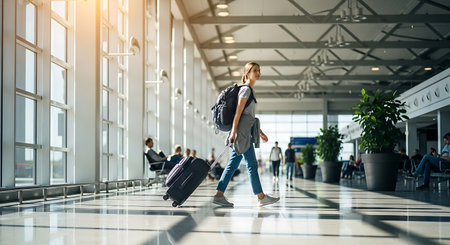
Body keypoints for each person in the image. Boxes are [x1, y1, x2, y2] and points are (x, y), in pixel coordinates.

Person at [212, 62, 280, 207]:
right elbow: (238, 113)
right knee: (252, 165)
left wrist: (260, 132)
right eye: (255, 70)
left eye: (259, 70)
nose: (258, 73)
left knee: (233, 166)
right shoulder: (246, 90)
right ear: (247, 73)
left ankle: (219, 195)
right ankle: (261, 197)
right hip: (242, 134)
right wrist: (234, 132)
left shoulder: (249, 90)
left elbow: (248, 116)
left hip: (244, 132)